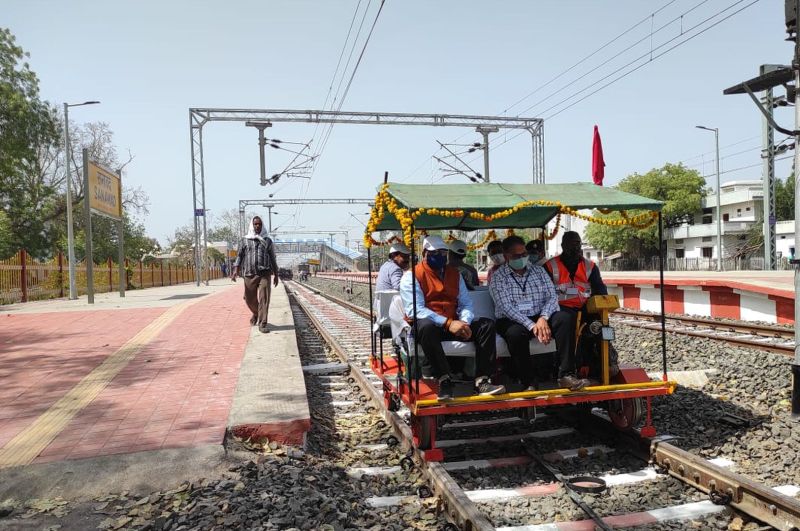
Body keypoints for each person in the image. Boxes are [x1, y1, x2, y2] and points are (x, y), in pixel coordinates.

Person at [400, 236, 506, 400]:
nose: (440, 256)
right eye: (435, 253)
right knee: (425, 326)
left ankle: (482, 380)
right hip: (433, 327)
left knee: (486, 324)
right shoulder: (412, 276)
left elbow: (466, 303)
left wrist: (464, 322)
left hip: (455, 322)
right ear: (424, 253)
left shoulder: (455, 274)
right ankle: (444, 379)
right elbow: (415, 310)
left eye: (443, 253)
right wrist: (448, 323)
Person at [490, 235, 587, 391]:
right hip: (513, 319)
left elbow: (552, 297)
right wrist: (532, 325)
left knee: (565, 318)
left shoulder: (538, 271)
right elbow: (506, 307)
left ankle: (566, 375)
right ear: (507, 256)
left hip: (539, 315)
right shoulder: (498, 277)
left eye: (524, 254)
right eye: (517, 256)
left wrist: (543, 318)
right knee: (515, 334)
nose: (522, 258)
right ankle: (528, 382)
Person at [544, 231, 618, 376]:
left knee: (603, 324)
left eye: (578, 243)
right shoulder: (550, 266)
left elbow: (600, 289)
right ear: (563, 245)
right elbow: (543, 294)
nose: (576, 247)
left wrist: (601, 303)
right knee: (568, 324)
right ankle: (571, 367)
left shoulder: (590, 266)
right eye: (572, 244)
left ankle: (608, 358)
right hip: (560, 309)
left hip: (584, 308)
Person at [231, 216, 279, 333]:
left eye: (259, 224)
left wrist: (276, 274)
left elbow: (273, 258)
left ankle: (263, 323)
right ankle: (256, 313)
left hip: (265, 273)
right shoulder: (245, 240)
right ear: (252, 225)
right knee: (249, 299)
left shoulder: (267, 240)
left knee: (264, 298)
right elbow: (239, 256)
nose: (257, 226)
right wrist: (235, 270)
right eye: (255, 224)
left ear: (262, 226)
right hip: (249, 273)